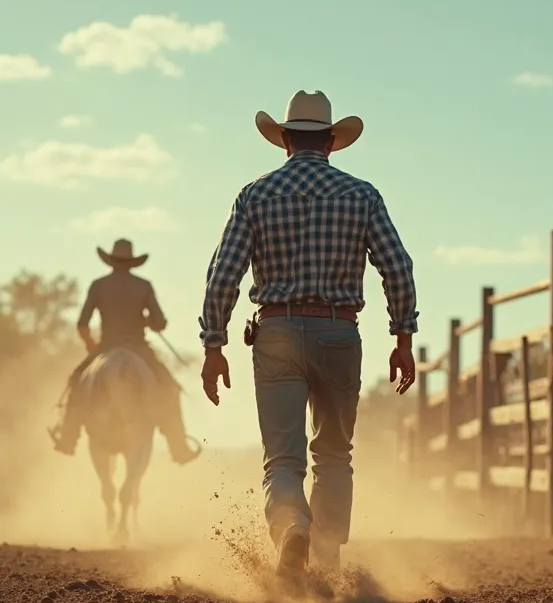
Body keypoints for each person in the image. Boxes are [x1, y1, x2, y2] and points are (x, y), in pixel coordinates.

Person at [199, 90, 418, 576]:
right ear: (332, 142)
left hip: (275, 330)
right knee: (335, 455)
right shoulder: (361, 194)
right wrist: (403, 339)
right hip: (340, 333)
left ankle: (293, 524)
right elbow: (397, 268)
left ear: (284, 140)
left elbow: (223, 275)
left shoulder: (255, 194)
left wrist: (214, 344)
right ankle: (326, 557)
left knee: (282, 457)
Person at [50, 238, 199, 465]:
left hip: (106, 346)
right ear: (132, 262)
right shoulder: (144, 286)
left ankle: (68, 438)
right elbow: (161, 323)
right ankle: (179, 447)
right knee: (169, 388)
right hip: (138, 349)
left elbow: (82, 324)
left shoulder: (98, 285)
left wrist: (91, 345)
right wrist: (148, 320)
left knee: (76, 382)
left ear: (111, 261)